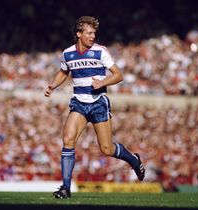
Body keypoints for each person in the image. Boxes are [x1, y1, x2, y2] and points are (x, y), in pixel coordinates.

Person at [44, 16, 145, 199]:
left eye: (94, 33)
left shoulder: (100, 52)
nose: (92, 36)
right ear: (79, 34)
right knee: (68, 139)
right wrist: (53, 85)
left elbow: (119, 75)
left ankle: (133, 160)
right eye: (89, 33)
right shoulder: (68, 54)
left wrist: (103, 82)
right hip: (79, 103)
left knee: (106, 149)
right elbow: (63, 72)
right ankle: (65, 188)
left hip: (98, 103)